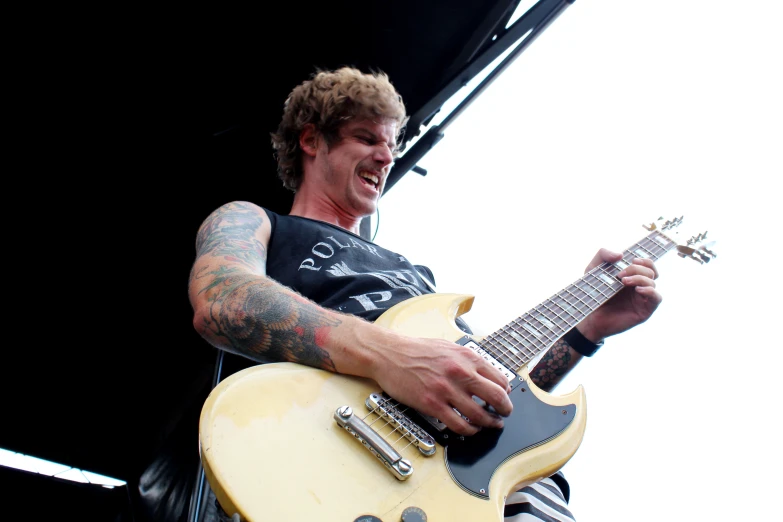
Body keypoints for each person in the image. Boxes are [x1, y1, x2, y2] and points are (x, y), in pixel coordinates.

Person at [188, 66, 662, 521]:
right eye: (367, 138)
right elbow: (224, 299)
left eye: (391, 145)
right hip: (311, 455)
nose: (386, 157)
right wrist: (391, 357)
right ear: (312, 140)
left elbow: (488, 391)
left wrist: (585, 331)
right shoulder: (254, 220)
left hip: (470, 489)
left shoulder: (416, 277)